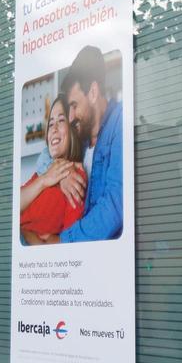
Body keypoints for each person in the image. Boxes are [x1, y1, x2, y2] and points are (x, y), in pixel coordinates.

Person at [41, 46, 124, 243]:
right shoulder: (81, 132)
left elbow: (115, 205)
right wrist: (60, 174)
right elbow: (45, 153)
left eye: (74, 106)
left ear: (93, 92)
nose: (69, 118)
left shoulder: (120, 122)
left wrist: (63, 242)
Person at [19, 95, 87, 244]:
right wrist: (44, 180)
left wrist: (26, 235)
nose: (54, 128)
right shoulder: (44, 171)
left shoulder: (75, 178)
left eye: (61, 120)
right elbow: (13, 206)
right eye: (51, 124)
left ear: (73, 129)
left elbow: (65, 244)